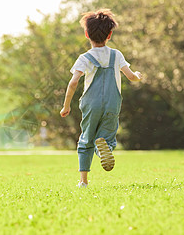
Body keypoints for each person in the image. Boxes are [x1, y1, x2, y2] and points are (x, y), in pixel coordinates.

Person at [60, 9, 142, 188]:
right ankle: (102, 148)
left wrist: (66, 106)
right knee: (108, 138)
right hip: (113, 102)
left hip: (91, 103)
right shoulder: (116, 55)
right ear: (110, 34)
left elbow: (73, 83)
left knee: (86, 139)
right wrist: (137, 75)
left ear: (86, 34)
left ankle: (83, 181)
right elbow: (130, 76)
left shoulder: (85, 58)